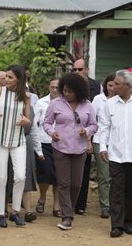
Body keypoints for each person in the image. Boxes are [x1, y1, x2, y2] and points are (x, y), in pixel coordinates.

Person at [44, 73, 97, 230]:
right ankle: (67, 216)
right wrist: (51, 132)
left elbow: (94, 125)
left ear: (79, 91)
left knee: (76, 184)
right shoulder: (55, 103)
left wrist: (86, 131)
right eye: (64, 90)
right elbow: (46, 123)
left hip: (79, 149)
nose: (66, 94)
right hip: (60, 148)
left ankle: (68, 208)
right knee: (64, 183)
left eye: (70, 91)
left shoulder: (87, 105)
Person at [0, 64, 31, 228]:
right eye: (6, 76)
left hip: (18, 141)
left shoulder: (26, 96)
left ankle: (15, 212)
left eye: (10, 77)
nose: (6, 79)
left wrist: (27, 121)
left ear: (19, 80)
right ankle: (0, 214)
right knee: (1, 177)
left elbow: (28, 121)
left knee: (20, 176)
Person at [100, 70, 132, 238]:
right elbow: (104, 127)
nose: (113, 87)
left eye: (118, 84)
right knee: (117, 190)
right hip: (116, 155)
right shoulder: (109, 104)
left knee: (130, 189)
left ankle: (129, 222)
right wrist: (102, 148)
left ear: (128, 86)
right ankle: (117, 225)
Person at [73, 58, 101, 215]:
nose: (77, 72)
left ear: (86, 69)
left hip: (89, 130)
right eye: (74, 69)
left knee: (85, 168)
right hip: (72, 131)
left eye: (79, 69)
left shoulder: (96, 86)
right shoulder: (69, 83)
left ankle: (81, 204)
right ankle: (70, 201)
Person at [34, 78, 61, 217]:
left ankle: (57, 205)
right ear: (49, 87)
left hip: (61, 143)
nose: (55, 89)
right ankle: (42, 197)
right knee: (45, 172)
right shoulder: (41, 102)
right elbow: (34, 123)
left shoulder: (65, 103)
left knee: (58, 175)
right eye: (52, 87)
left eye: (57, 87)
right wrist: (36, 145)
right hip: (44, 142)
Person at [92, 73, 116, 219]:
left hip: (117, 142)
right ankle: (105, 206)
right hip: (99, 140)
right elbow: (92, 120)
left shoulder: (123, 100)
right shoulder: (98, 99)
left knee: (117, 175)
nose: (112, 88)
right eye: (110, 85)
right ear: (105, 85)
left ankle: (116, 204)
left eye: (115, 85)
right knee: (104, 175)